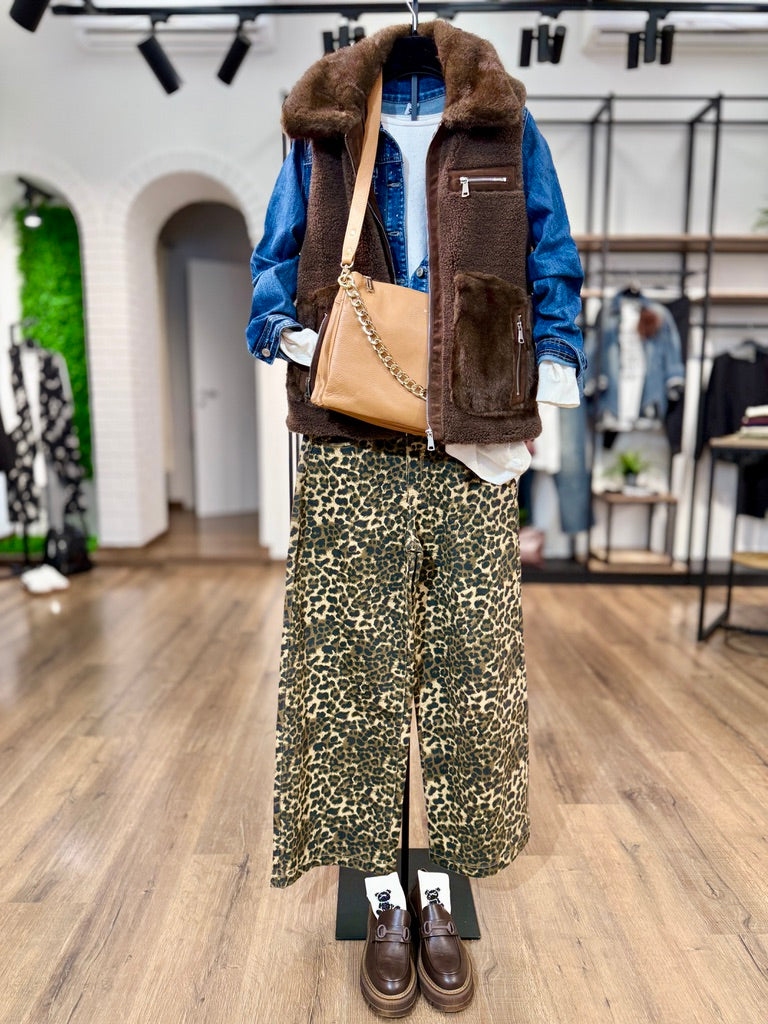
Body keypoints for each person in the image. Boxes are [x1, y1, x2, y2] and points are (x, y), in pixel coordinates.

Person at [246, 19, 585, 1018]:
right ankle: (382, 899)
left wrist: (552, 363)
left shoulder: (503, 126)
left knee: (472, 680)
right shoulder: (325, 130)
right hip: (353, 433)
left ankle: (441, 886)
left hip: (473, 434)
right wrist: (286, 331)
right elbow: (274, 257)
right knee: (353, 677)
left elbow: (551, 252)